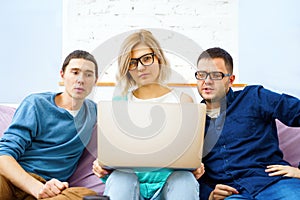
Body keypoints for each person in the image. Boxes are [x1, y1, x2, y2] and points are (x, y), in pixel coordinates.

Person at [92, 29, 205, 200]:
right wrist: (101, 165)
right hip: (130, 182)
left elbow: (189, 153)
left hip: (171, 183)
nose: (140, 68)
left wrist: (195, 166)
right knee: (120, 179)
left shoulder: (183, 101)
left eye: (146, 59)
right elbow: (112, 154)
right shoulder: (120, 103)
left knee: (185, 180)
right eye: (132, 63)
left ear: (158, 58)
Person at [195, 47, 300, 200]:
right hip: (233, 194)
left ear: (230, 80)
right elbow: (191, 169)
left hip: (273, 183)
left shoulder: (255, 98)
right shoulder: (193, 121)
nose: (207, 81)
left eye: (216, 75)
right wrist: (208, 194)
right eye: (202, 75)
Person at [0, 50, 99, 199]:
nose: (81, 80)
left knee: (89, 196)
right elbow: (3, 155)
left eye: (88, 74)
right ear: (62, 74)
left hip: (53, 190)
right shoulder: (36, 104)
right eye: (75, 72)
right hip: (15, 179)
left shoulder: (93, 111)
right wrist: (36, 187)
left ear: (95, 80)